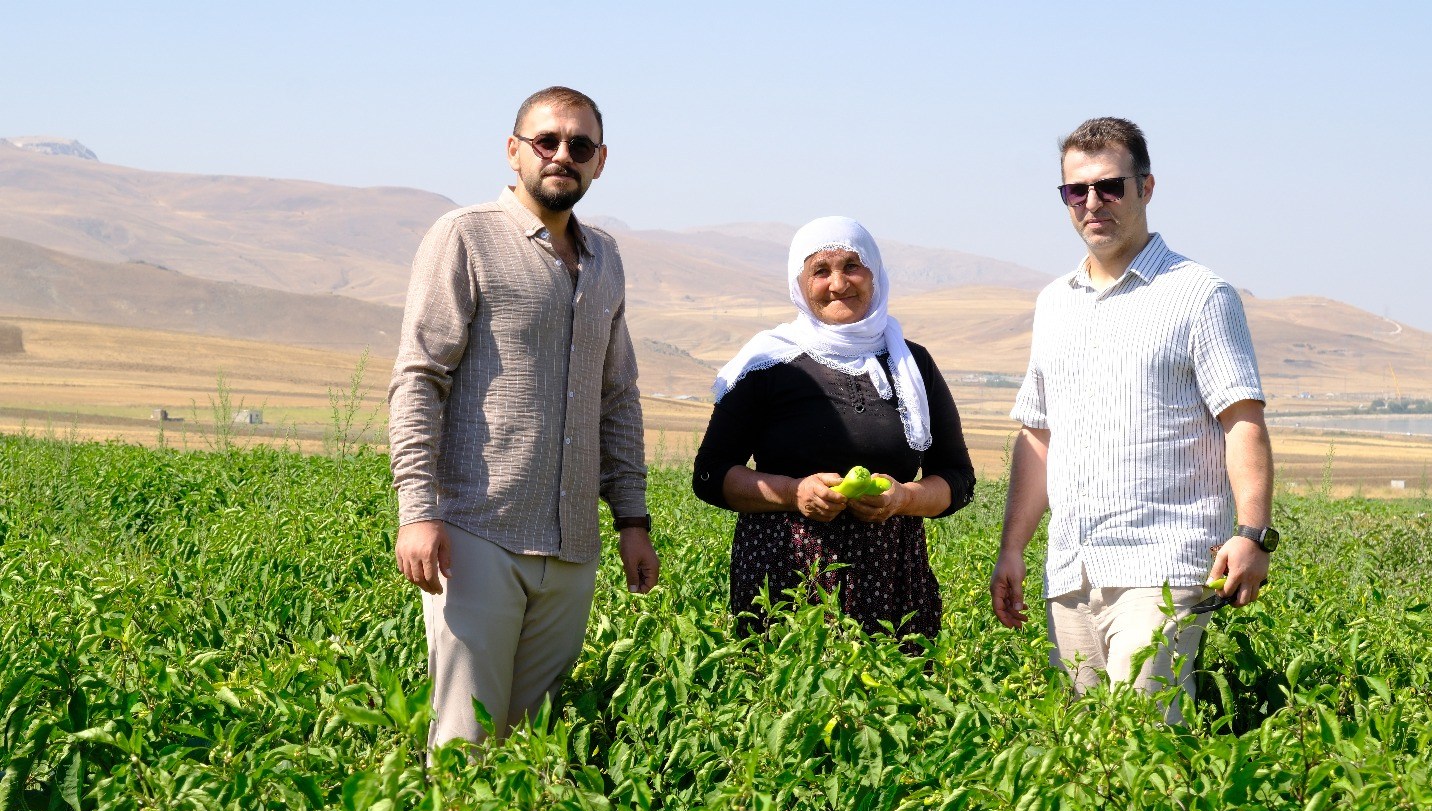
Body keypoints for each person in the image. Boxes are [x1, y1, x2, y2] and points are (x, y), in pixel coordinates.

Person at [388, 86, 658, 751]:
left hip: (571, 547)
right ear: (515, 151)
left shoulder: (605, 260)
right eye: (547, 141)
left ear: (600, 161)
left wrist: (633, 522)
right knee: (465, 742)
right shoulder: (465, 237)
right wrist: (417, 512)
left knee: (534, 749)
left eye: (580, 145)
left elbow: (617, 397)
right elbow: (420, 377)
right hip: (477, 531)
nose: (563, 154)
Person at [989, 117, 1275, 721]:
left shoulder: (1199, 294)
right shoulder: (1054, 303)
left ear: (1146, 188)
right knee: (1085, 752)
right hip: (1072, 570)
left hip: (1162, 563)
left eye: (1110, 187)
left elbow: (1242, 419)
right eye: (1076, 190)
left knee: (1146, 740)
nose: (1092, 203)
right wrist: (1012, 548)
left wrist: (1253, 534)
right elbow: (1038, 435)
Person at [693, 216, 974, 641]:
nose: (838, 284)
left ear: (875, 274)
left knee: (892, 683)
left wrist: (903, 498)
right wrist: (794, 493)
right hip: (784, 578)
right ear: (799, 283)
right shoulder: (767, 364)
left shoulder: (912, 364)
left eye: (852, 266)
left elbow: (957, 479)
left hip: (892, 581)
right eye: (820, 271)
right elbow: (710, 474)